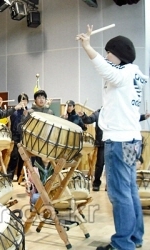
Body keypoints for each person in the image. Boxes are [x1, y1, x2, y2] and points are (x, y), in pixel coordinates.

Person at [77, 26, 147, 250]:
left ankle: (122, 244)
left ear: (118, 53)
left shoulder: (123, 73)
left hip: (119, 140)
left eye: (108, 52)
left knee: (119, 194)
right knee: (129, 190)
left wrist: (87, 47)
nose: (106, 56)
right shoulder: (134, 73)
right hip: (132, 139)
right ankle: (134, 238)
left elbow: (107, 71)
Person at [0, 93, 29, 181]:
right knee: (14, 157)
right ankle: (10, 176)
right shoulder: (14, 112)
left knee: (22, 158)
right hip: (15, 137)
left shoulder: (29, 112)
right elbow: (3, 116)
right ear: (19, 101)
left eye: (25, 100)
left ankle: (20, 176)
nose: (24, 102)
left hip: (25, 138)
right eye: (22, 100)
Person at [78, 108, 104, 192]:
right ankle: (96, 183)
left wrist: (143, 117)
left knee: (113, 164)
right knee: (100, 164)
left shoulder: (115, 112)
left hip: (114, 142)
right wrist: (83, 115)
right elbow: (89, 119)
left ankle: (110, 185)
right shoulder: (98, 113)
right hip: (102, 143)